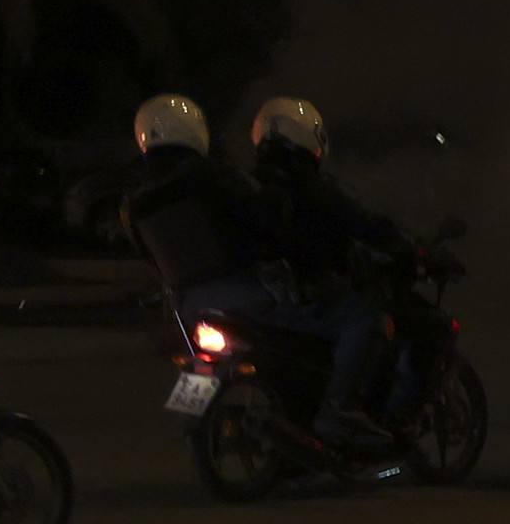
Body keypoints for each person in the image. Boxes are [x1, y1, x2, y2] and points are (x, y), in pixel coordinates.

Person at [122, 92, 361, 445]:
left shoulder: (136, 197)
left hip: (184, 306)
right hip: (244, 294)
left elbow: (146, 253)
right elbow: (260, 218)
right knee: (331, 323)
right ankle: (329, 415)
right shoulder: (209, 177)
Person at [247, 97, 412, 428]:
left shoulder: (255, 184)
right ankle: (338, 407)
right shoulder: (305, 184)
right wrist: (400, 244)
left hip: (264, 296)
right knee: (366, 317)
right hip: (301, 296)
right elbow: (358, 221)